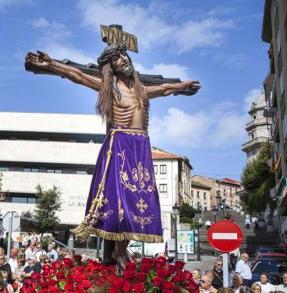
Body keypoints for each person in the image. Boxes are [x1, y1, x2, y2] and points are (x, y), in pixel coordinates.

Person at [26, 43, 200, 269]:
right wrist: (51, 64)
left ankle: (121, 250)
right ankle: (116, 252)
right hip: (120, 144)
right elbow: (77, 75)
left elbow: (166, 88)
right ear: (111, 66)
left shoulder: (142, 90)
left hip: (141, 145)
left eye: (124, 56)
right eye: (117, 58)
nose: (124, 60)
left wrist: (182, 85)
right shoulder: (109, 88)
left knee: (139, 200)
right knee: (121, 198)